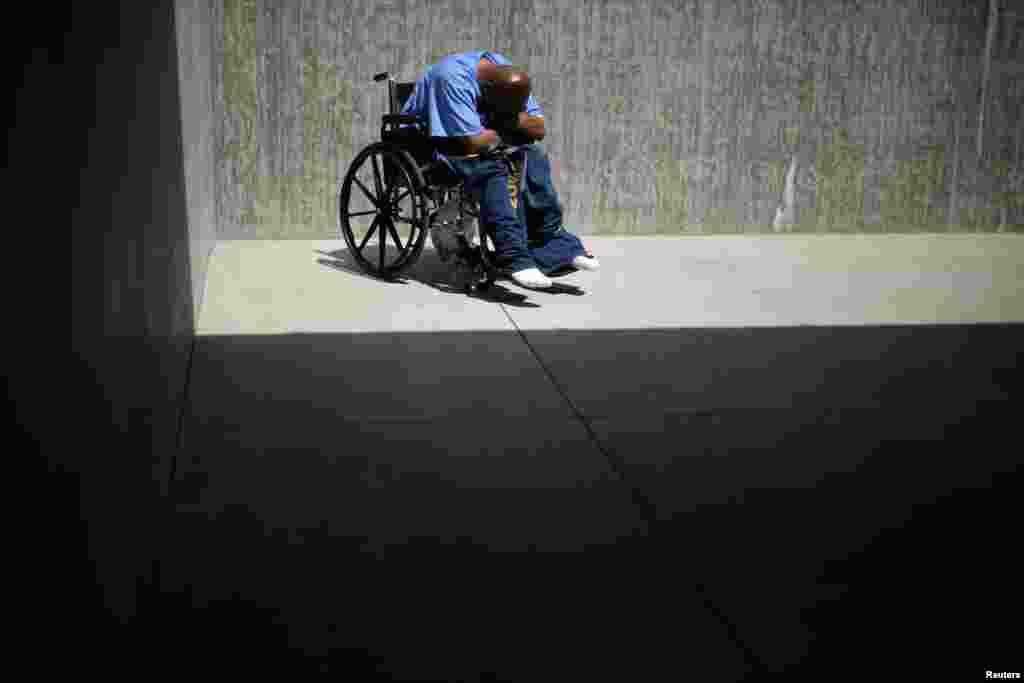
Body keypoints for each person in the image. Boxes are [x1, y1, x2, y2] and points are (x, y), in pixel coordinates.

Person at [399, 51, 599, 289]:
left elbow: (538, 129)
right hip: (435, 142)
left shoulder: (509, 77)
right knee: (488, 167)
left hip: (481, 139)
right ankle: (513, 255)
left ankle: (556, 244)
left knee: (533, 155)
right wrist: (512, 127)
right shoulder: (451, 78)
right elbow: (471, 142)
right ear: (487, 91)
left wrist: (507, 126)